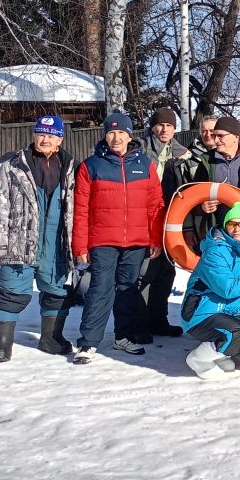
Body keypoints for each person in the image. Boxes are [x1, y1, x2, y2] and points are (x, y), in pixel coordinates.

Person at [0, 115, 77, 362]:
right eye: (41, 134)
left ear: (60, 139)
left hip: (56, 245)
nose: (45, 140)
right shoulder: (14, 165)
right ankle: (1, 345)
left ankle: (51, 339)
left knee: (56, 291)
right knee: (11, 292)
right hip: (19, 242)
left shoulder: (70, 167)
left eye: (51, 136)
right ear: (34, 135)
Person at [72, 112, 164, 364]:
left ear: (129, 135)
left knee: (128, 288)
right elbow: (80, 209)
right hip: (103, 239)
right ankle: (88, 341)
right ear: (105, 135)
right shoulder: (91, 166)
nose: (116, 138)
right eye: (111, 132)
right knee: (100, 288)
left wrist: (155, 239)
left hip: (136, 240)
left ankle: (123, 336)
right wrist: (80, 245)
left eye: (121, 132)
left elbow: (155, 205)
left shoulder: (145, 164)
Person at [181, 203, 240, 378]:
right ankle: (198, 360)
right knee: (237, 335)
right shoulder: (215, 251)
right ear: (225, 225)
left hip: (230, 311)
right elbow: (227, 289)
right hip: (201, 312)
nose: (237, 229)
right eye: (232, 224)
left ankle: (218, 353)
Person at [138, 106, 191, 340]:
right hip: (145, 216)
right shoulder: (139, 150)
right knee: (145, 271)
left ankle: (159, 320)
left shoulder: (182, 153)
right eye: (160, 125)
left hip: (171, 216)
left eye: (169, 125)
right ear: (153, 127)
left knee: (167, 271)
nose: (164, 129)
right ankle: (141, 322)